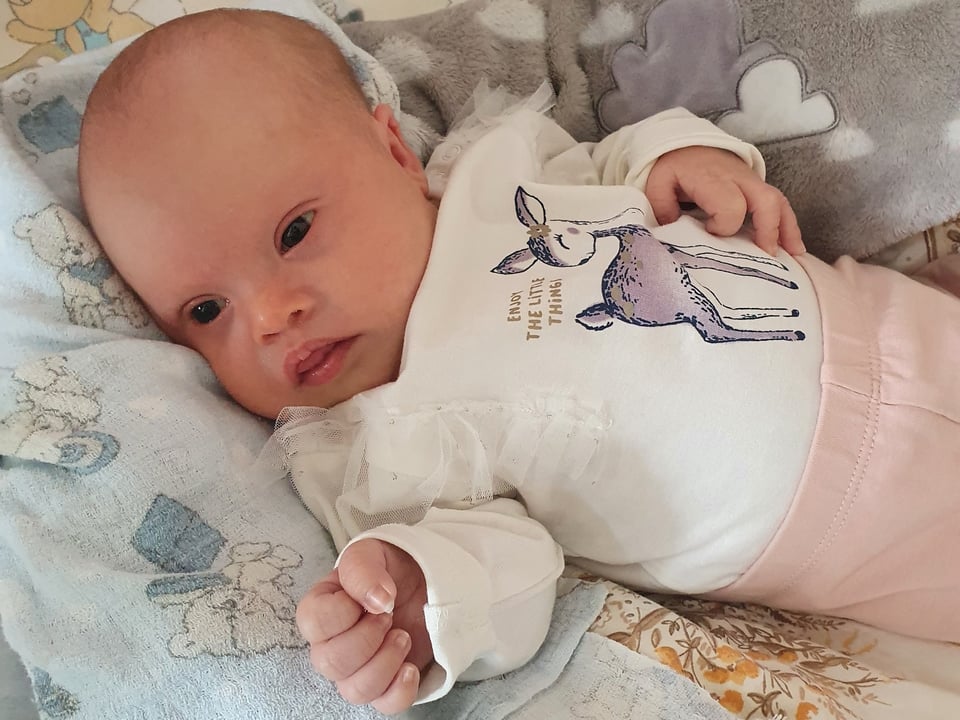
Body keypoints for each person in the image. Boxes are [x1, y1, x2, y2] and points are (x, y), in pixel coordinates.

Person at [77, 8, 960, 716]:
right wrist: (421, 597)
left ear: (392, 150)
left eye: (295, 231)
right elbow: (510, 567)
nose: (271, 316)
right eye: (207, 311)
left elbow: (617, 161)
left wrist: (682, 155)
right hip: (863, 534)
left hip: (888, 318)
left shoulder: (492, 173)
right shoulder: (370, 451)